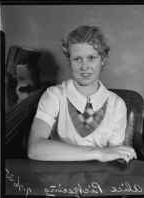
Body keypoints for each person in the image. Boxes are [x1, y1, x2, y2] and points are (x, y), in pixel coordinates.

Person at [28, 25, 137, 162]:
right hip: (60, 178)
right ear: (69, 61)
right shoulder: (54, 95)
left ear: (102, 59)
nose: (84, 66)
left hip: (99, 181)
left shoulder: (117, 105)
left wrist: (108, 154)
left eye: (91, 58)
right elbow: (35, 148)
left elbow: (115, 157)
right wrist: (98, 153)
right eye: (77, 59)